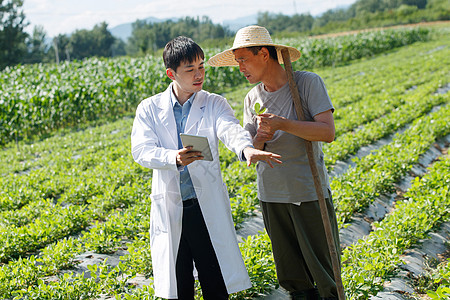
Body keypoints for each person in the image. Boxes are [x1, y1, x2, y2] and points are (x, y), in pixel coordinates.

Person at [131, 36, 282, 300]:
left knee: (215, 282)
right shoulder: (149, 109)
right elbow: (141, 150)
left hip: (204, 208)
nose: (199, 74)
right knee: (179, 287)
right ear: (171, 73)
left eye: (201, 67)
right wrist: (173, 158)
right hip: (171, 208)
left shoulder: (213, 103)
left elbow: (229, 129)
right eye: (190, 70)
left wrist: (246, 149)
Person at [208, 26, 341, 300]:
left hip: (307, 193)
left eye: (244, 59)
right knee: (293, 278)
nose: (240, 68)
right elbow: (251, 149)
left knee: (325, 273)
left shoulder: (305, 83)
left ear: (265, 54)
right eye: (237, 62)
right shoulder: (252, 98)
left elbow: (327, 132)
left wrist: (284, 124)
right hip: (271, 196)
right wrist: (261, 137)